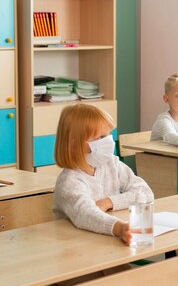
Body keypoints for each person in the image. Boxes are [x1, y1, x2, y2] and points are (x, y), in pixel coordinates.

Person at [53, 104, 154, 245]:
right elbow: (86, 214)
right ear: (75, 144)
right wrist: (118, 228)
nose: (108, 141)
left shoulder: (111, 163)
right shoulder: (69, 182)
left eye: (108, 134)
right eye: (101, 137)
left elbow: (144, 192)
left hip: (105, 242)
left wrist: (109, 202)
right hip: (76, 247)